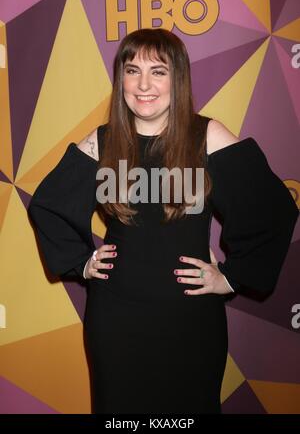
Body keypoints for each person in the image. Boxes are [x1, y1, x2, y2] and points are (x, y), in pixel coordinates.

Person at [28, 28, 298, 414]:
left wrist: (232, 276)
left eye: (158, 71)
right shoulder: (103, 142)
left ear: (178, 78)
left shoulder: (207, 135)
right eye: (132, 70)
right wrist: (81, 261)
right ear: (120, 78)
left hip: (188, 321)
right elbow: (48, 205)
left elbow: (273, 211)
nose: (143, 84)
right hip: (115, 320)